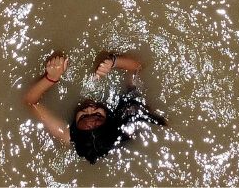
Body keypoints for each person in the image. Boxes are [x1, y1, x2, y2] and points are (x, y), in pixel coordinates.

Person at [22, 51, 166, 164]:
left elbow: (31, 103)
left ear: (75, 128)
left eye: (84, 117)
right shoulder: (126, 112)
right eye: (97, 115)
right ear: (108, 118)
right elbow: (137, 68)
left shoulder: (69, 136)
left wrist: (51, 78)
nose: (90, 109)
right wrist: (113, 62)